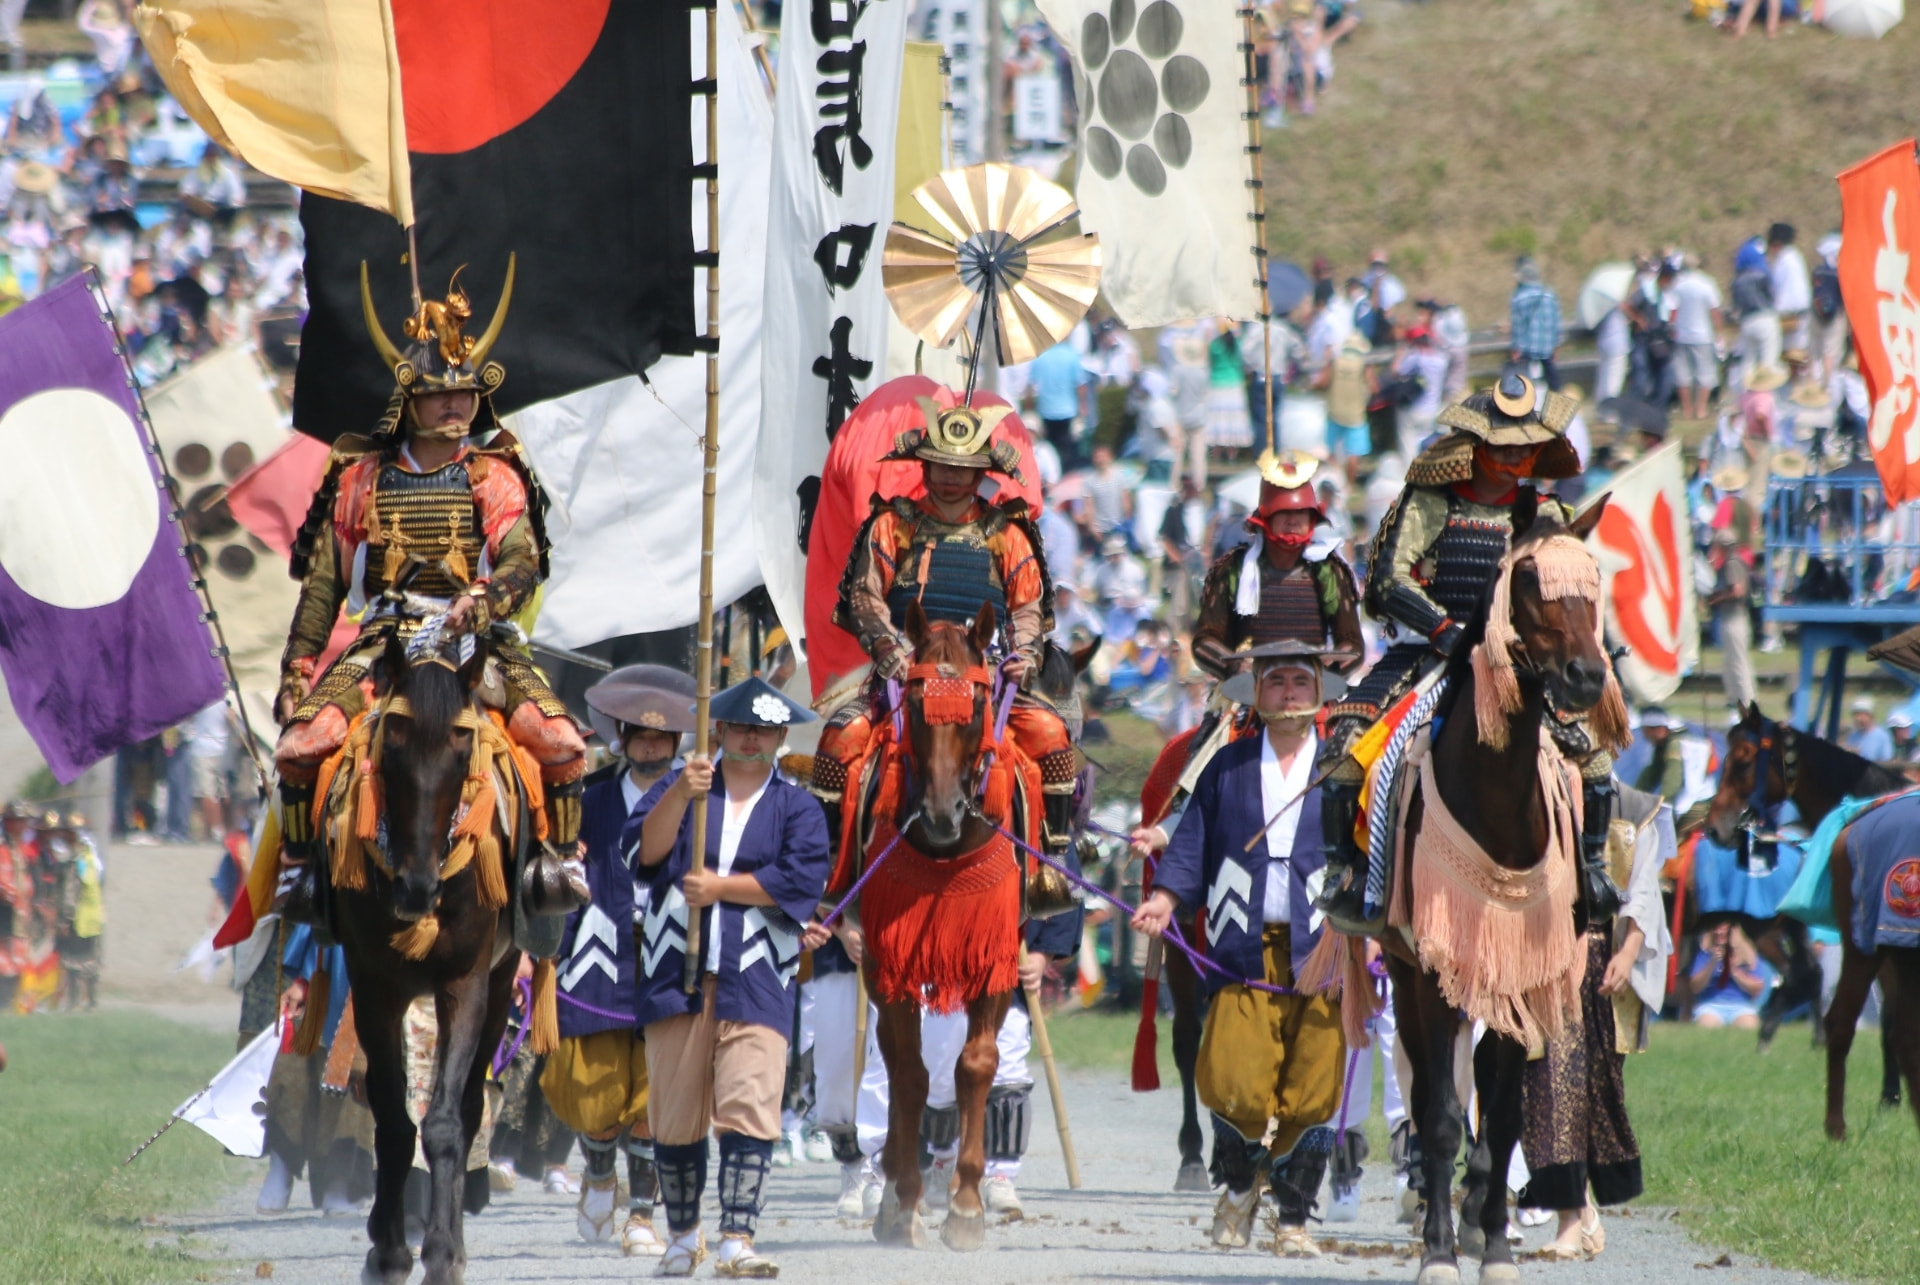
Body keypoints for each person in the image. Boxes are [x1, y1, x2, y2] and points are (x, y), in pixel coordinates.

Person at [271, 266, 588, 927]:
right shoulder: (361, 476)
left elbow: (522, 562)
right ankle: (301, 872)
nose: (456, 407)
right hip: (386, 639)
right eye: (442, 396)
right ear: (409, 401)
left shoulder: (495, 475)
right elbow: (327, 579)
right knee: (301, 746)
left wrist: (485, 599)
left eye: (467, 395)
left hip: (476, 638)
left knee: (561, 742)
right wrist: (300, 666)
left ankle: (555, 861)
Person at [1318, 374, 1618, 929]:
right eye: (1504, 447)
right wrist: (1445, 632)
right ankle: (1349, 876)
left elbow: (1566, 585)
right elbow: (1388, 581)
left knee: (1595, 761)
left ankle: (1593, 875)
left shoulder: (1547, 513)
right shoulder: (1432, 501)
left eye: (1526, 447)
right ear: (1478, 446)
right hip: (1432, 656)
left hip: (1524, 663)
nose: (1515, 457)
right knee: (1344, 750)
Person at [1130, 644, 1348, 1258]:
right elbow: (1192, 840)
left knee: (1312, 1087)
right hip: (1242, 937)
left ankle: (1294, 1218)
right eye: (1275, 681)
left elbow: (1366, 850)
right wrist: (1168, 901)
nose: (1288, 693)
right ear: (1256, 692)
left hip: (1322, 942)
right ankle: (1238, 1188)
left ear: (1318, 693)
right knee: (1233, 1079)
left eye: (1299, 682)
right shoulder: (1224, 767)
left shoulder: (1344, 767)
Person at [810, 398, 1076, 856]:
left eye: (962, 468)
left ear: (979, 474)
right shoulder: (893, 523)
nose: (950, 476)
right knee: (841, 736)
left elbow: (1027, 606)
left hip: (987, 673)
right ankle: (826, 856)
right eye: (940, 465)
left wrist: (1026, 657)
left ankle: (1051, 859)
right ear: (924, 468)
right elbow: (864, 595)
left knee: (1052, 735)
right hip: (906, 668)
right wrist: (889, 650)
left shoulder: (1008, 532)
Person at [635, 677, 831, 1278]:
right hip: (677, 969)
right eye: (741, 727)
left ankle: (736, 1239)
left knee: (750, 1104)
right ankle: (681, 1235)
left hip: (758, 975)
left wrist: (720, 888)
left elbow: (800, 881)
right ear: (718, 729)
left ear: (779, 736)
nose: (751, 738)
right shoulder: (684, 785)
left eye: (764, 729)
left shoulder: (798, 805)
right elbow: (644, 853)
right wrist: (678, 795)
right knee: (674, 1112)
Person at [542, 666, 699, 1256]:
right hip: (599, 952)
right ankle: (599, 1171)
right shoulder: (589, 799)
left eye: (662, 737)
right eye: (641, 735)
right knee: (595, 1092)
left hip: (669, 950)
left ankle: (641, 1215)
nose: (653, 744)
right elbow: (559, 873)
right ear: (624, 739)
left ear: (676, 742)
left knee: (655, 1096)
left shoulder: (695, 797)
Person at [1192, 449, 1364, 681]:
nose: (1293, 520)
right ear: (1265, 519)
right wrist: (1235, 667)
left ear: (1312, 518)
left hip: (1311, 691)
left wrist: (1326, 672)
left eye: (1301, 512)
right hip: (1246, 692)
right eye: (1283, 512)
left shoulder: (1330, 570)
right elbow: (1204, 641)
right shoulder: (1234, 569)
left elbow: (1353, 645)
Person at [1670, 256, 1724, 420]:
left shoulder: (1678, 284)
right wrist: (1719, 332)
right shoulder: (1707, 283)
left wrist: (1672, 328)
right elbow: (1714, 311)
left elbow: (1672, 310)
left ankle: (1687, 409)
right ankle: (1701, 409)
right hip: (1703, 335)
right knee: (1705, 373)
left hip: (1681, 335)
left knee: (1682, 374)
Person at [1706, 528, 1755, 710]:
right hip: (1731, 616)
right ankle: (1735, 697)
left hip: (1735, 616)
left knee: (1738, 660)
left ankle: (1746, 698)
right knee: (1731, 660)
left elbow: (1737, 589)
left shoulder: (1732, 563)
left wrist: (1717, 598)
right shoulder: (1730, 562)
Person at [1027, 338, 1093, 471]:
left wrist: (1031, 408)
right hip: (1068, 410)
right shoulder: (1072, 355)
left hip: (1045, 410)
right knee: (1069, 449)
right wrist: (1083, 406)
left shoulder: (1039, 357)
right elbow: (1080, 385)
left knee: (1051, 449)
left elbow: (1031, 387)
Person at [1689, 924, 1770, 1028]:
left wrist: (1734, 971)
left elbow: (1757, 988)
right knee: (1707, 1026)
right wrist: (1712, 962)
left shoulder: (1748, 955)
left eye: (1723, 929)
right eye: (1716, 928)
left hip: (1741, 1006)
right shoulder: (1705, 954)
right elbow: (1695, 987)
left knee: (1749, 1027)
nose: (1719, 932)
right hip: (1710, 1006)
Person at [1509, 256, 1563, 390]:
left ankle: (1524, 405)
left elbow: (1518, 326)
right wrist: (1556, 344)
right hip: (1547, 346)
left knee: (1523, 382)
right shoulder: (1550, 294)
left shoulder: (1518, 298)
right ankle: (1558, 402)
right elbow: (1556, 322)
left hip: (1526, 348)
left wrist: (1515, 347)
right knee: (1552, 380)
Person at [1767, 223, 1812, 355]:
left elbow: (1777, 288)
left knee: (1789, 353)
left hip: (1789, 313)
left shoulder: (1783, 261)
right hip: (1801, 311)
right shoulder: (1795, 257)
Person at [1842, 697, 1895, 763]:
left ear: (1870, 716)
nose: (1858, 719)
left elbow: (1886, 761)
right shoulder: (1853, 735)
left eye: (1861, 715)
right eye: (1855, 715)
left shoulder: (1882, 736)